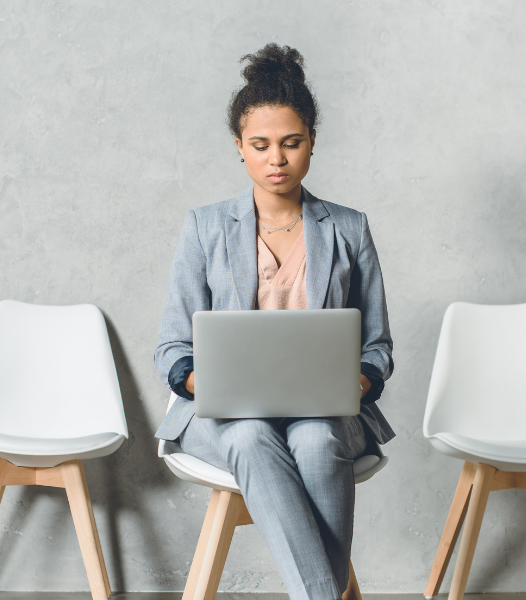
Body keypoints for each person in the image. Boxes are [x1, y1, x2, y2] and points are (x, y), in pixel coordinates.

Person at [153, 43, 394, 600]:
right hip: (229, 416)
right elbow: (172, 345)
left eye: (291, 143)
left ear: (312, 143)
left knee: (315, 442)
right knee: (251, 436)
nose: (277, 159)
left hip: (325, 411)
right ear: (240, 149)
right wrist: (198, 380)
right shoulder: (205, 227)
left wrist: (356, 379)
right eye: (260, 145)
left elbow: (377, 345)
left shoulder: (349, 229)